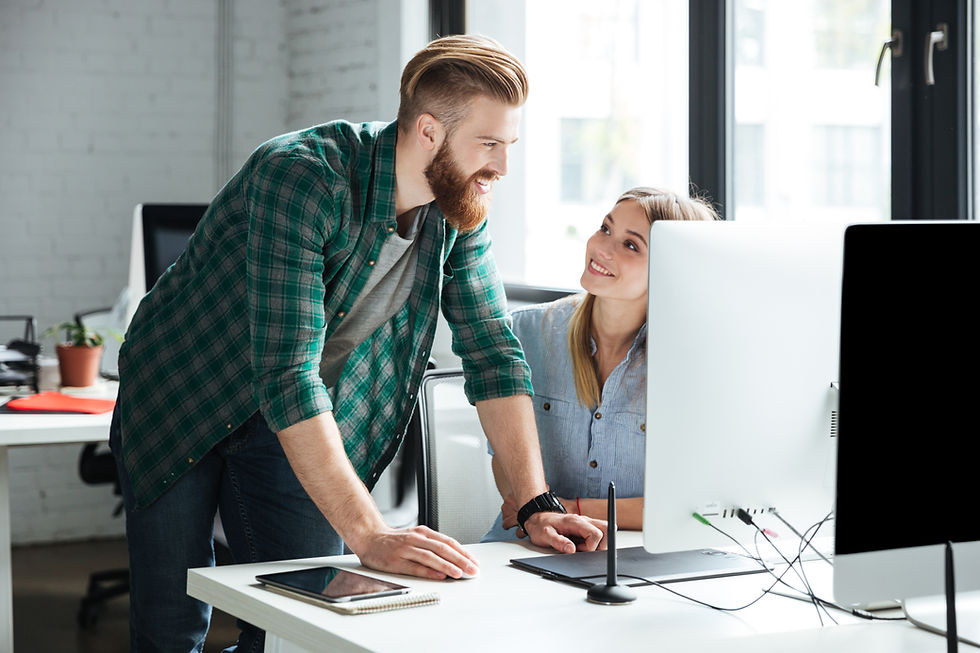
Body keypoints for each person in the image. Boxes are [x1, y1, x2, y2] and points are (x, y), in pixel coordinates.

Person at [111, 34, 604, 652]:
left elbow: (492, 353)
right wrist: (369, 534)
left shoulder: (458, 205)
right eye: (488, 144)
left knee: (300, 630)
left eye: (510, 145)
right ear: (429, 131)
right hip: (183, 392)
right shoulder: (301, 175)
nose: (502, 167)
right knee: (172, 626)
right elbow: (288, 372)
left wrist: (533, 502)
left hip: (292, 418)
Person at [482, 187, 719, 542]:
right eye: (606, 229)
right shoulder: (527, 331)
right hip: (526, 546)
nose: (602, 248)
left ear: (670, 271)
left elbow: (695, 505)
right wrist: (539, 513)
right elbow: (504, 458)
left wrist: (564, 509)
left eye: (631, 245)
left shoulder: (692, 364)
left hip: (634, 554)